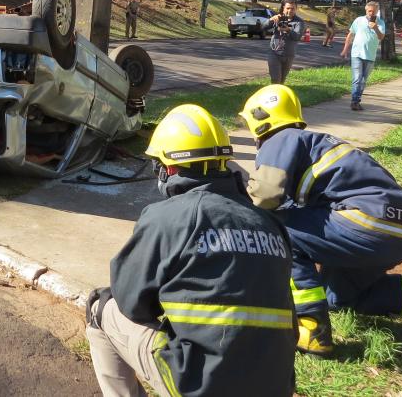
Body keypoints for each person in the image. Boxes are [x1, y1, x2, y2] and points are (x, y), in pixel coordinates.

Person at [86, 104, 296, 397]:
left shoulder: (169, 217)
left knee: (101, 306)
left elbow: (131, 301)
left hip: (201, 387)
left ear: (169, 168)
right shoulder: (270, 224)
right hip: (274, 386)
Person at [240, 84, 402, 355]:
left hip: (365, 223)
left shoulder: (281, 137)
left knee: (275, 228)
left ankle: (310, 326)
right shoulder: (317, 143)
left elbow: (266, 195)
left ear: (260, 118)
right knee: (339, 299)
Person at [340, 1, 385, 111]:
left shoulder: (380, 23)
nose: (371, 13)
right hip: (357, 54)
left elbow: (381, 37)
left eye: (374, 11)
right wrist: (345, 50)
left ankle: (357, 100)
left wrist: (375, 28)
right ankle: (354, 102)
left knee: (363, 80)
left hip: (370, 55)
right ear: (366, 10)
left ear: (377, 11)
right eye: (369, 11)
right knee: (357, 79)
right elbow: (350, 35)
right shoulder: (358, 20)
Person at [266, 0, 305, 84]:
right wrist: (270, 20)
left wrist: (288, 30)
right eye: (288, 8)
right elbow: (262, 27)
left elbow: (297, 37)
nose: (290, 10)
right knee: (276, 79)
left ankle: (279, 96)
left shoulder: (299, 22)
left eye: (292, 8)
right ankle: (274, 96)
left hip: (288, 55)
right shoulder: (277, 18)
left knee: (282, 81)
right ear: (283, 8)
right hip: (274, 53)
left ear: (296, 9)